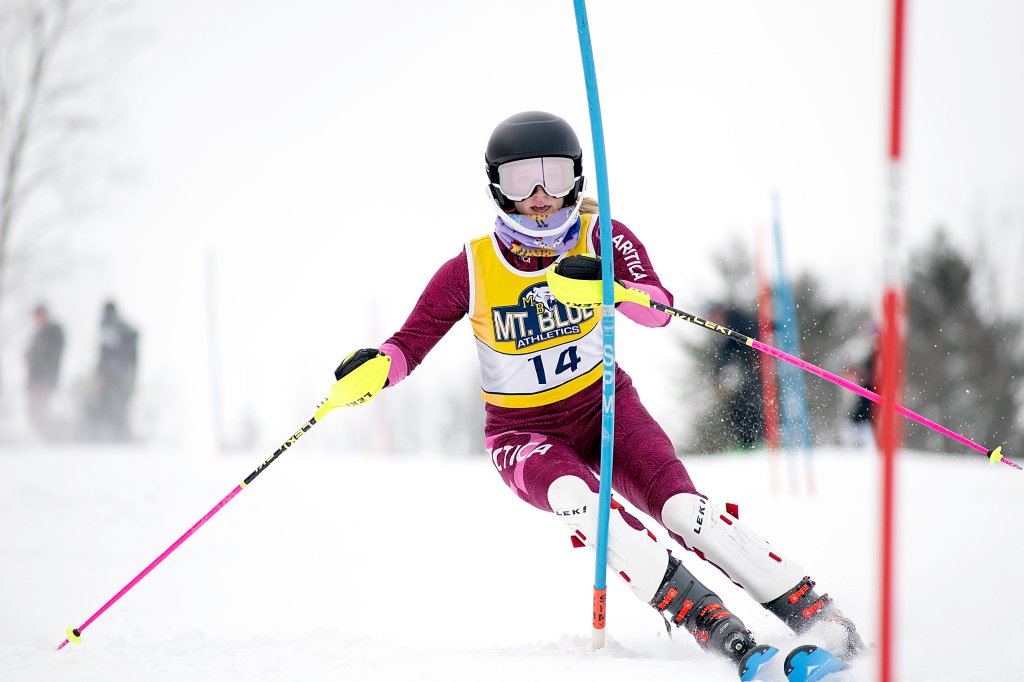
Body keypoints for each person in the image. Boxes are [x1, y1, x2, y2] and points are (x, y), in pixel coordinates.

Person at [327, 112, 864, 671]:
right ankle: (715, 625)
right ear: (497, 187)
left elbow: (658, 308)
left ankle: (817, 614)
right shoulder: (473, 267)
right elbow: (409, 345)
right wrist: (376, 369)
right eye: (520, 180)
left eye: (554, 176)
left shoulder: (602, 235)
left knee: (682, 509)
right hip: (523, 433)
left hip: (605, 406)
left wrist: (611, 288)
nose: (539, 195)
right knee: (582, 502)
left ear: (576, 178)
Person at [707, 303, 765, 449]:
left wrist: (754, 356)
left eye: (714, 316)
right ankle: (746, 441)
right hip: (748, 367)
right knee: (738, 404)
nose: (714, 320)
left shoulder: (735, 319)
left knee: (753, 401)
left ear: (720, 312)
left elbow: (753, 333)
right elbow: (725, 352)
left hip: (759, 363)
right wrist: (716, 375)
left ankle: (759, 440)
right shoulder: (726, 329)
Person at [91, 300, 139, 440]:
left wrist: (98, 372)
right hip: (125, 375)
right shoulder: (125, 328)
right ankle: (122, 437)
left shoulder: (109, 326)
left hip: (112, 377)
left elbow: (105, 353)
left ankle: (114, 437)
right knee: (121, 408)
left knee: (109, 407)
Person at [25, 303, 65, 440]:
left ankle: (54, 436)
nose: (37, 319)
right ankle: (49, 437)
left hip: (45, 379)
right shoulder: (39, 333)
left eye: (39, 316)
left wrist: (36, 355)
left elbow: (51, 355)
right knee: (35, 410)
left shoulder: (53, 332)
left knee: (40, 409)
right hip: (36, 379)